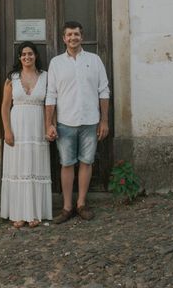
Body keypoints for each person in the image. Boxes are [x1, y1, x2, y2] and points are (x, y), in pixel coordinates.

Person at [45, 21, 110, 223]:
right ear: (64, 39)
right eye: (69, 35)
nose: (73, 38)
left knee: (86, 161)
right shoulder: (56, 63)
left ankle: (81, 203)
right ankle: (67, 207)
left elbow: (104, 91)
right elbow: (51, 95)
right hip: (65, 122)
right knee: (66, 164)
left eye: (76, 34)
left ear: (82, 37)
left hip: (90, 121)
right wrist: (49, 123)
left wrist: (104, 121)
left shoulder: (95, 60)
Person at [0, 41, 53, 228]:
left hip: (38, 126)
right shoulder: (12, 78)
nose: (27, 57)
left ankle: (35, 214)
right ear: (19, 57)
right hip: (17, 126)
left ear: (36, 56)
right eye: (23, 54)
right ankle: (18, 214)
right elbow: (5, 107)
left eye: (30, 54)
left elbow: (52, 103)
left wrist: (50, 125)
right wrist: (7, 130)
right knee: (18, 168)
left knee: (35, 167)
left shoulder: (46, 76)